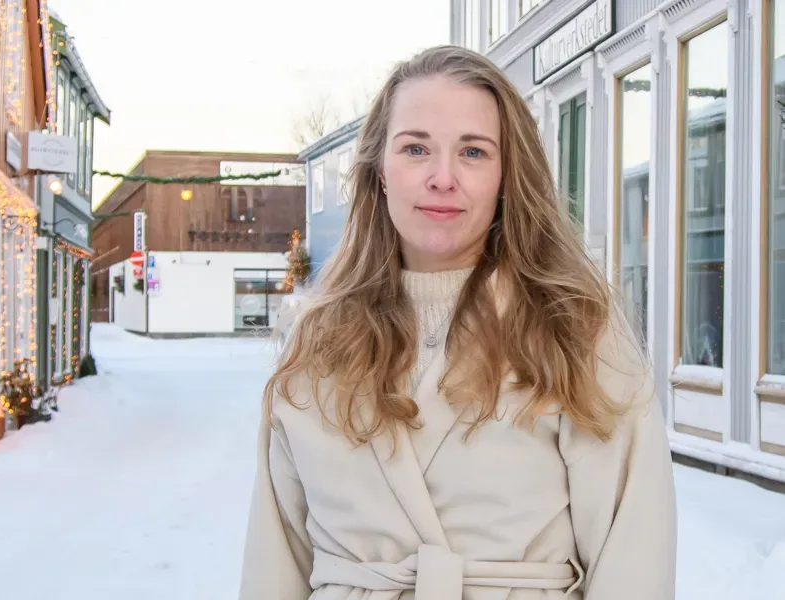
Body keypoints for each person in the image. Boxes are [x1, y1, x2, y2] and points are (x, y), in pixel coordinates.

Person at [238, 45, 677, 600]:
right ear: (379, 171)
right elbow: (275, 559)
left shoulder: (573, 327)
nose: (442, 177)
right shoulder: (317, 342)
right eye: (416, 148)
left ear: (506, 175)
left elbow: (633, 552)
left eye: (473, 152)